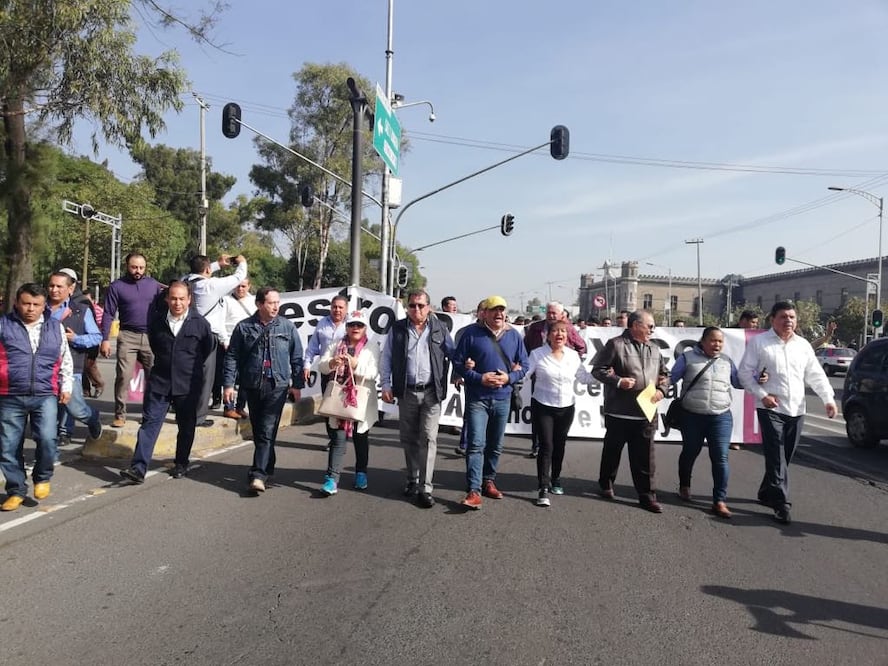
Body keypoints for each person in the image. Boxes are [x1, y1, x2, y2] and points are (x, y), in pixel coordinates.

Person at [738, 301, 836, 524]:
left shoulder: (802, 345)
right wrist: (762, 394)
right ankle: (781, 503)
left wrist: (828, 399)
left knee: (785, 455)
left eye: (791, 317)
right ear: (772, 320)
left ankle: (766, 492)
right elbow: (745, 373)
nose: (788, 321)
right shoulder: (759, 343)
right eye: (783, 317)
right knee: (776, 453)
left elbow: (815, 375)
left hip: (797, 408)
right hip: (770, 406)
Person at [119, 281, 216, 484]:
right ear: (167, 299)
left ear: (189, 300)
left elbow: (207, 348)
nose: (177, 303)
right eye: (173, 298)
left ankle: (181, 462)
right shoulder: (156, 322)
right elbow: (154, 345)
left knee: (186, 425)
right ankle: (138, 468)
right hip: (160, 382)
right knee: (149, 424)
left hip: (188, 384)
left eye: (182, 299)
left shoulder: (200, 323)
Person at [223, 287, 304, 493]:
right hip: (252, 384)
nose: (276, 306)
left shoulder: (287, 327)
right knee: (261, 430)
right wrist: (229, 385)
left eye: (277, 302)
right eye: (271, 302)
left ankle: (257, 474)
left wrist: (296, 385)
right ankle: (268, 465)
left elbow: (296, 358)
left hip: (277, 385)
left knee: (267, 428)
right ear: (259, 304)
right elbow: (232, 356)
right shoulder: (244, 328)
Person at [0, 283, 73, 511]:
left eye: (36, 304)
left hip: (45, 394)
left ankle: (42, 477)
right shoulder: (3, 325)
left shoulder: (55, 327)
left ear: (44, 306)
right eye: (26, 303)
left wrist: (66, 386)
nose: (30, 308)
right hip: (9, 394)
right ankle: (15, 490)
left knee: (48, 438)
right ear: (16, 303)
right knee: (8, 446)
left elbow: (65, 358)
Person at [380, 289, 455, 508]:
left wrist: (465, 369)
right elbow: (387, 357)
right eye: (412, 305)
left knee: (429, 439)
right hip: (407, 392)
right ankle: (412, 479)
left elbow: (453, 353)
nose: (417, 309)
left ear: (429, 307)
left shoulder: (439, 328)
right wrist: (386, 383)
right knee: (409, 438)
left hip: (432, 392)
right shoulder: (398, 328)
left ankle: (426, 487)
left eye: (421, 305)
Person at [453, 295, 529, 510]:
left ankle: (488, 480)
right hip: (477, 398)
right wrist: (479, 377)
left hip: (503, 399)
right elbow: (458, 364)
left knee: (495, 446)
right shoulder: (470, 334)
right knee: (476, 444)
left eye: (502, 310)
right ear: (484, 313)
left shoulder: (514, 335)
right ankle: (474, 490)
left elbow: (524, 364)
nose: (499, 314)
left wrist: (509, 378)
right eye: (494, 310)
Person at [592, 310, 669, 513]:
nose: (653, 330)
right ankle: (606, 483)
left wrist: (662, 389)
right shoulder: (616, 344)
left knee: (645, 457)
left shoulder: (654, 349)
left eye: (653, 326)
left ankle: (647, 496)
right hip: (619, 411)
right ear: (635, 325)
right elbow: (598, 370)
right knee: (612, 452)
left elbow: (664, 374)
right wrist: (618, 381)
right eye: (649, 326)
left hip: (646, 412)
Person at [671, 327, 745, 518]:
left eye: (720, 341)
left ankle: (719, 500)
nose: (717, 344)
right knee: (690, 452)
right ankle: (684, 486)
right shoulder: (687, 358)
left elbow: (738, 383)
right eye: (713, 340)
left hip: (721, 417)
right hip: (692, 416)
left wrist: (759, 379)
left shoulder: (727, 361)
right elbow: (670, 378)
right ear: (702, 341)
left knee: (720, 457)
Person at [527, 321, 595, 507]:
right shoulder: (537, 354)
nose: (559, 335)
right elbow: (524, 374)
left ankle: (556, 478)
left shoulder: (573, 356)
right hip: (543, 405)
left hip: (566, 407)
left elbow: (584, 378)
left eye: (563, 331)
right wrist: (511, 378)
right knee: (546, 445)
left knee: (560, 444)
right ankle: (543, 486)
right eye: (555, 331)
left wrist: (603, 373)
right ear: (547, 335)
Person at [317, 310, 380, 496]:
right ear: (347, 327)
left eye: (359, 325)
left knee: (361, 438)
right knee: (337, 438)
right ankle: (332, 478)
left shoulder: (371, 346)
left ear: (365, 328)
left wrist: (355, 365)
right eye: (352, 324)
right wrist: (332, 363)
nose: (355, 328)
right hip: (339, 398)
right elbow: (321, 365)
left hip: (361, 399)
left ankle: (361, 473)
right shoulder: (337, 344)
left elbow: (373, 373)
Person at [100, 253, 165, 428]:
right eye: (134, 267)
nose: (137, 271)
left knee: (154, 377)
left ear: (146, 267)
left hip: (151, 336)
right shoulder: (117, 286)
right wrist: (104, 339)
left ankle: (150, 413)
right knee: (123, 376)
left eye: (141, 267)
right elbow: (108, 313)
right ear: (127, 266)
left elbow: (164, 308)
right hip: (127, 336)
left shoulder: (153, 285)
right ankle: (120, 414)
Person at [185, 253, 248, 427]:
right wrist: (241, 262)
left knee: (187, 375)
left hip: (186, 334)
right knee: (206, 378)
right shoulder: (212, 285)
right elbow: (238, 277)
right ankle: (198, 417)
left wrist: (217, 264)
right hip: (207, 336)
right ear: (206, 269)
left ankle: (183, 410)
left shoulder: (185, 282)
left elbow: (199, 271)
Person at [523, 301, 587, 457]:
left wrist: (571, 358)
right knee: (538, 412)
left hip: (562, 377)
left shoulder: (569, 329)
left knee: (559, 437)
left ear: (561, 315)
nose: (551, 316)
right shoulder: (535, 327)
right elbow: (525, 347)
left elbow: (582, 346)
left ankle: (553, 456)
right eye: (549, 313)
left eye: (554, 313)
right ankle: (536, 445)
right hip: (539, 374)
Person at [47, 271, 103, 445]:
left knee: (74, 408)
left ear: (70, 289)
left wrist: (76, 338)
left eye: (59, 286)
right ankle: (60, 434)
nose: (54, 290)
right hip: (44, 367)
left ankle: (92, 418)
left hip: (71, 366)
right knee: (48, 407)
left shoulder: (81, 310)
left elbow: (96, 337)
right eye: (51, 285)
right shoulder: (40, 308)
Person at [304, 294, 348, 449]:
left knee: (344, 406)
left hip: (346, 374)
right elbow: (312, 347)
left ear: (346, 309)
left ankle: (342, 437)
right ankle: (333, 438)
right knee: (329, 406)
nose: (337, 310)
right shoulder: (322, 324)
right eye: (334, 307)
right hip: (327, 371)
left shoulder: (352, 324)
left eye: (340, 307)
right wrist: (307, 365)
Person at [222, 278, 257, 420]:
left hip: (249, 343)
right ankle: (228, 407)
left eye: (243, 286)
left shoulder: (253, 300)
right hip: (231, 342)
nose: (240, 289)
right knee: (230, 376)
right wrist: (224, 340)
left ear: (249, 286)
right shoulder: (225, 300)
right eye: (238, 286)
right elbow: (220, 321)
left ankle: (240, 407)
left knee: (246, 377)